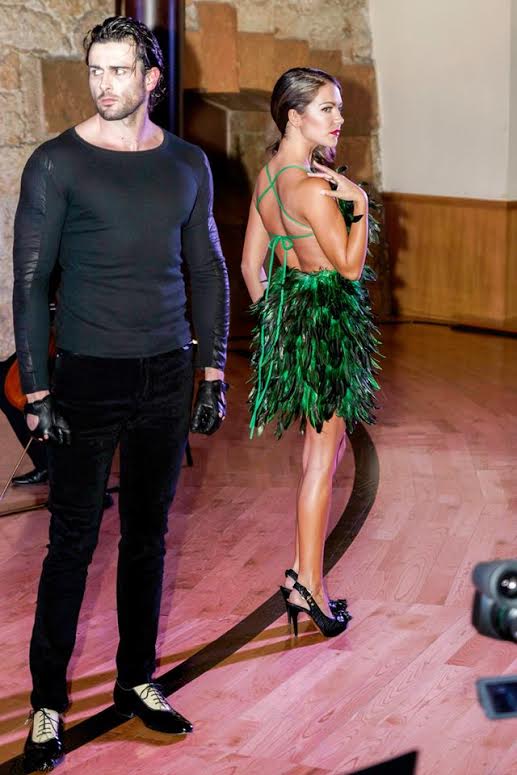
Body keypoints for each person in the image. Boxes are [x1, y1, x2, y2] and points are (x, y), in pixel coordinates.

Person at [13, 16, 229, 772]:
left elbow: (206, 269)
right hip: (87, 378)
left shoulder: (187, 164)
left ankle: (137, 678)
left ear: (151, 79)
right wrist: (37, 389)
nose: (104, 85)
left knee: (147, 535)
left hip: (165, 374)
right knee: (71, 542)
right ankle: (47, 702)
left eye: (119, 70)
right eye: (95, 70)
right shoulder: (56, 163)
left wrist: (211, 369)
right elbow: (31, 282)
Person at [241, 67, 379, 639]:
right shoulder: (314, 189)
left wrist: (279, 332)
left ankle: (302, 569)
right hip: (328, 326)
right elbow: (348, 268)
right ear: (294, 117)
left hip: (295, 325)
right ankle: (309, 587)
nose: (339, 118)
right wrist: (361, 203)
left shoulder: (269, 177)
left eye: (338, 108)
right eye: (327, 108)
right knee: (321, 461)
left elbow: (251, 267)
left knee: (324, 449)